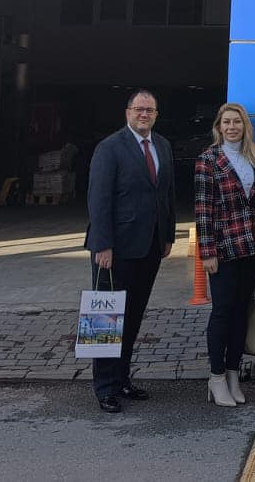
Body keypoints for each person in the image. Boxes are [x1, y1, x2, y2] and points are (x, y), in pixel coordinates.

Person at [84, 89, 175, 414]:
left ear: (156, 114)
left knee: (133, 316)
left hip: (149, 246)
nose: (144, 114)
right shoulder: (109, 148)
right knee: (106, 317)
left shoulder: (162, 145)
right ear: (127, 113)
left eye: (150, 110)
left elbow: (167, 194)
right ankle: (105, 387)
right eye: (139, 109)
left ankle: (122, 378)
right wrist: (102, 245)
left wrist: (168, 235)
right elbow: (98, 199)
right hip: (116, 250)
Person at [193, 102, 255, 408]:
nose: (232, 127)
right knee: (222, 312)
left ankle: (234, 373)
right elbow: (203, 209)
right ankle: (217, 376)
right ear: (219, 127)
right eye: (227, 122)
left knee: (241, 312)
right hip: (222, 249)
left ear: (245, 126)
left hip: (250, 247)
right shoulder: (208, 159)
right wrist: (206, 252)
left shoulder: (253, 155)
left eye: (237, 122)